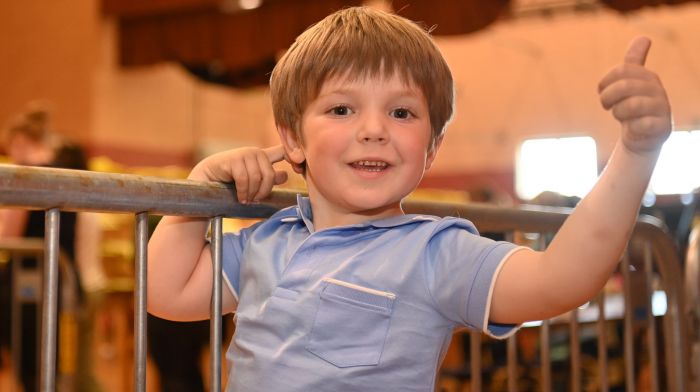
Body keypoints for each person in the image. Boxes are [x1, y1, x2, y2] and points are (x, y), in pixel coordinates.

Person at [147, 6, 671, 391]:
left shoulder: (434, 253)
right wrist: (199, 191)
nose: (374, 130)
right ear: (292, 139)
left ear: (432, 147)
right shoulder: (268, 241)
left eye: (401, 113)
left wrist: (636, 152)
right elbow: (165, 293)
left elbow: (561, 280)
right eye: (341, 110)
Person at [0, 103, 99, 391]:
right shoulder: (65, 172)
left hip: (29, 279)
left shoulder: (26, 176)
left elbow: (9, 235)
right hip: (62, 275)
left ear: (19, 141)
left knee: (29, 355)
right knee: (54, 359)